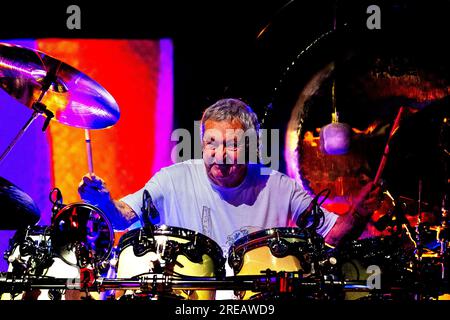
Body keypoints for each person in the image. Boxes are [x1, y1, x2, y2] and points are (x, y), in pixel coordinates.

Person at [78, 98, 379, 273]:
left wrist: (358, 214)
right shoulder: (173, 179)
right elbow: (120, 218)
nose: (219, 156)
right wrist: (103, 201)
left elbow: (333, 234)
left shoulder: (278, 186)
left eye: (232, 145)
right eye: (211, 143)